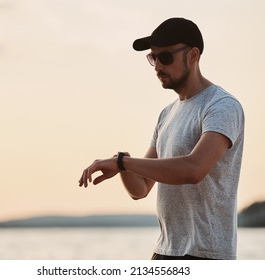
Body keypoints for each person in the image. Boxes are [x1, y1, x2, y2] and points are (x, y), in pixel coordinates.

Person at [79, 18, 244, 260]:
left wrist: (124, 162)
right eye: (152, 58)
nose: (157, 66)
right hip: (165, 251)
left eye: (165, 57)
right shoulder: (167, 114)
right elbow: (140, 188)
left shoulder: (222, 106)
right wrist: (121, 163)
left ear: (192, 55)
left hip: (206, 255)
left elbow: (193, 169)